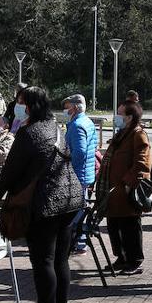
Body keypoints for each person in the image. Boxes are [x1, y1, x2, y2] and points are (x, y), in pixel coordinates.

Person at [0, 86, 83, 303]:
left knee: (43, 261)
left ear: (29, 106)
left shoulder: (28, 132)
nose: (16, 106)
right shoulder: (55, 127)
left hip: (46, 203)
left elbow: (11, 170)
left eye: (20, 102)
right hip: (71, 199)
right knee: (61, 260)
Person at [97, 100, 152, 275]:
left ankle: (134, 261)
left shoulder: (138, 135)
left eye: (120, 114)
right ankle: (121, 258)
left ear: (129, 117)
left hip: (126, 191)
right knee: (114, 225)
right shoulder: (121, 134)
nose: (116, 117)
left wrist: (129, 184)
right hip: (113, 191)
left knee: (130, 227)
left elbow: (142, 163)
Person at [63, 94, 98, 251]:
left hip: (78, 175)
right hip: (85, 173)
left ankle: (78, 242)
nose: (65, 110)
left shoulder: (77, 125)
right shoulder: (87, 122)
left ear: (75, 108)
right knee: (80, 209)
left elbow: (80, 152)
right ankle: (79, 241)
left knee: (76, 212)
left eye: (67, 106)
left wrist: (67, 166)